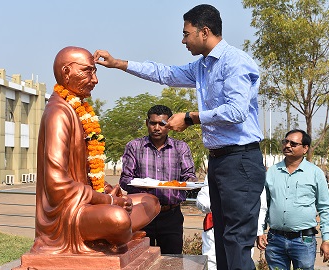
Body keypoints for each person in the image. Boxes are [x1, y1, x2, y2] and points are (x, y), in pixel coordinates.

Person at [95, 4, 266, 269]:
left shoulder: (235, 62)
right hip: (220, 161)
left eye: (186, 34)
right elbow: (164, 73)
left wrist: (190, 117)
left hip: (240, 160)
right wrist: (119, 64)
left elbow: (236, 111)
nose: (183, 40)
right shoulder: (202, 67)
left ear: (204, 32)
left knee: (236, 239)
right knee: (222, 239)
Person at [32, 46, 160, 254]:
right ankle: (118, 232)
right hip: (68, 214)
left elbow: (86, 172)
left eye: (95, 72)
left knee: (150, 202)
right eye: (88, 71)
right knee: (117, 218)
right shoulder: (58, 113)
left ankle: (117, 232)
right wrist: (108, 201)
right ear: (66, 72)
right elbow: (57, 185)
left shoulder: (79, 110)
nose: (95, 80)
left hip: (90, 201)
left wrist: (106, 190)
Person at [119, 104, 197, 254]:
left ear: (169, 125)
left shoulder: (181, 148)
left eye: (162, 124)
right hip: (141, 213)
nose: (157, 127)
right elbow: (125, 179)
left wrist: (187, 183)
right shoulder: (134, 146)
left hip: (171, 215)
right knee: (139, 259)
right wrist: (142, 187)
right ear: (146, 123)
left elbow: (189, 175)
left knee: (172, 260)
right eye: (153, 123)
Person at [257, 129, 329, 270]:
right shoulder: (272, 172)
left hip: (303, 241)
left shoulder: (315, 173)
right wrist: (260, 231)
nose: (287, 145)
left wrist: (327, 239)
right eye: (285, 142)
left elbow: (325, 208)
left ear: (305, 148)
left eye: (293, 143)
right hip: (275, 240)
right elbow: (264, 205)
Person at [196, 175, 268, 270]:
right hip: (214, 227)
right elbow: (201, 200)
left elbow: (261, 204)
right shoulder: (216, 167)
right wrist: (219, 206)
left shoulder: (249, 167)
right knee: (211, 263)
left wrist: (259, 231)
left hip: (242, 227)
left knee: (241, 263)